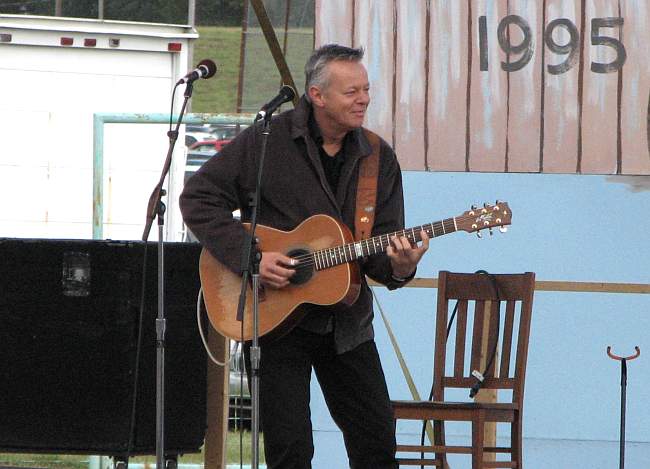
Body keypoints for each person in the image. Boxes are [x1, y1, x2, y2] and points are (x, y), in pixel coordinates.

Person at [180, 44, 429, 469]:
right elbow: (199, 197)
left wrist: (402, 267)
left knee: (376, 443)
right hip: (275, 321)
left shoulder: (377, 158)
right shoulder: (266, 142)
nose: (364, 99)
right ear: (317, 95)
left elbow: (380, 252)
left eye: (366, 89)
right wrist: (251, 257)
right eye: (351, 92)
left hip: (347, 324)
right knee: (289, 450)